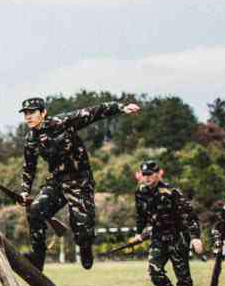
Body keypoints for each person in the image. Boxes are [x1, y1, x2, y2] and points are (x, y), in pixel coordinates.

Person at [19, 96, 141, 271]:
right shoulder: (31, 139)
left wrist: (121, 108)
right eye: (25, 114)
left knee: (82, 226)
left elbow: (94, 112)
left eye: (32, 113)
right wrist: (24, 191)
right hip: (57, 182)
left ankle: (85, 246)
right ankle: (38, 257)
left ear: (43, 113)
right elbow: (29, 167)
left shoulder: (62, 122)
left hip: (79, 180)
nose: (28, 117)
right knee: (35, 211)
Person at [135, 160, 200, 286]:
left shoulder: (171, 191)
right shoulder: (140, 192)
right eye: (144, 175)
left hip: (177, 235)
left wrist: (195, 237)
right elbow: (141, 215)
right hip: (158, 237)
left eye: (150, 174)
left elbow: (189, 215)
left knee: (182, 273)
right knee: (154, 271)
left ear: (158, 174)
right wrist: (139, 232)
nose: (147, 177)